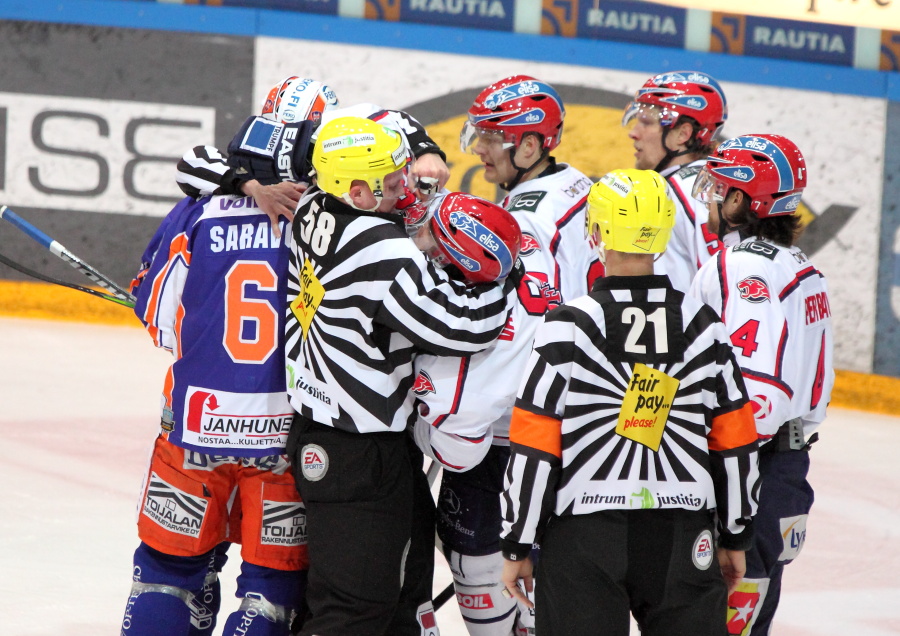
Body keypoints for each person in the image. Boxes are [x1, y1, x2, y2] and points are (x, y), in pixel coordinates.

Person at [283, 115, 522, 636]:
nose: (405, 190)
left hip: (343, 436)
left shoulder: (311, 203)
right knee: (354, 610)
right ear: (358, 190)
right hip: (357, 450)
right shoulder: (381, 251)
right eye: (392, 184)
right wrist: (503, 273)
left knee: (401, 597)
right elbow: (464, 326)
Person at [499, 169, 761, 636]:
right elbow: (736, 439)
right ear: (662, 236)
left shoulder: (568, 325)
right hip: (683, 532)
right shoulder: (703, 324)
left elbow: (535, 445)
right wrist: (737, 533)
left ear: (596, 233)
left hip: (585, 536)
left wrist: (518, 542)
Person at [422, 75, 599, 636]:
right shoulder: (579, 188)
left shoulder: (526, 220)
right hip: (578, 414)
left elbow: (514, 331)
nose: (477, 147)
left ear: (529, 145)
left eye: (490, 137)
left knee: (484, 570)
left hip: (516, 423)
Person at [123, 133, 311, 634]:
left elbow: (159, 319)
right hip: (284, 440)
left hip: (193, 432)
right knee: (271, 591)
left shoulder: (197, 211)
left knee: (168, 575)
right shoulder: (326, 219)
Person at [689, 134, 834, 635]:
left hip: (744, 472)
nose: (708, 198)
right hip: (785, 471)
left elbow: (757, 395)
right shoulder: (803, 268)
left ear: (740, 202)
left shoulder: (743, 267)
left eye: (718, 188)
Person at [175, 75, 450, 235]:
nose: (287, 142)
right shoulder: (260, 162)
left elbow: (394, 119)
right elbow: (192, 162)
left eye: (300, 131)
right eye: (278, 129)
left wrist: (427, 152)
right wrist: (253, 188)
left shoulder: (354, 137)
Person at [622, 70, 728, 293]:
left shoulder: (695, 191)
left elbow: (723, 286)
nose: (634, 133)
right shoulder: (687, 184)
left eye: (646, 122)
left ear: (683, 134)